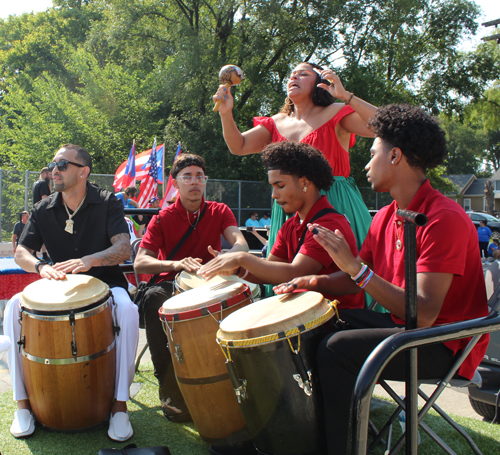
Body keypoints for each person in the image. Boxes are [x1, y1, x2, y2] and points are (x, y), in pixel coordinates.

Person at [273, 105, 490, 455]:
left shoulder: (443, 217)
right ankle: (316, 436)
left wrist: (356, 268)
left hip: (445, 343)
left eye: (372, 153)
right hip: (408, 329)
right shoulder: (386, 216)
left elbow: (423, 314)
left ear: (395, 156)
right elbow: (353, 281)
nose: (365, 163)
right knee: (315, 327)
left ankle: (339, 448)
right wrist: (314, 282)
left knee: (335, 349)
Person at [3, 144, 139, 442]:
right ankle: (23, 405)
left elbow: (123, 248)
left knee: (128, 311)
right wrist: (39, 267)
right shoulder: (42, 208)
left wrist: (91, 260)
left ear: (83, 172)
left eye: (62, 164)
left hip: (107, 283)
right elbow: (22, 252)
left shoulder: (107, 202)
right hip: (59, 284)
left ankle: (119, 406)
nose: (55, 170)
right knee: (13, 307)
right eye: (53, 164)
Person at [213, 61, 377, 256]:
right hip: (288, 211)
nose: (294, 77)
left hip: (336, 204)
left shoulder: (336, 112)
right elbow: (238, 146)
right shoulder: (275, 122)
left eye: (303, 74)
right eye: (292, 74)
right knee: (285, 276)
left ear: (320, 83)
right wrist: (225, 113)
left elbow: (381, 125)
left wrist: (346, 96)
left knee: (344, 274)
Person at [134, 154, 249, 423]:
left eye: (199, 176)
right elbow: (141, 262)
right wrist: (176, 264)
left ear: (205, 181)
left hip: (212, 283)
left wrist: (226, 259)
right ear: (175, 183)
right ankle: (170, 389)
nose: (194, 181)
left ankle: (241, 382)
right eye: (187, 176)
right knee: (152, 299)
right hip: (171, 284)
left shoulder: (220, 211)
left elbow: (241, 244)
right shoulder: (162, 218)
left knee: (243, 296)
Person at [198, 141, 363, 310]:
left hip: (337, 319)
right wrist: (236, 270)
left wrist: (241, 257)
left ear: (305, 183)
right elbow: (270, 272)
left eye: (280, 186)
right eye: (272, 187)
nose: (274, 195)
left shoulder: (328, 224)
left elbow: (296, 273)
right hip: (306, 316)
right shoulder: (290, 226)